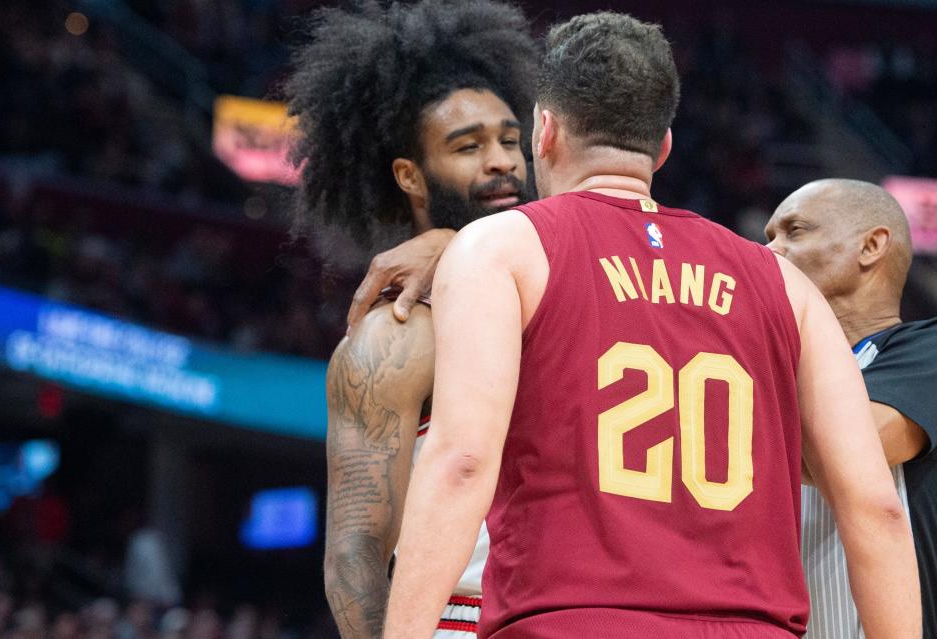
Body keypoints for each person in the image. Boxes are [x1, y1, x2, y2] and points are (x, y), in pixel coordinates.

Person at [383, 12, 919, 639]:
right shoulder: (784, 283)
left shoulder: (502, 248)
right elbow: (876, 508)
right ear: (662, 146)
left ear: (545, 131)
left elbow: (463, 464)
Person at [283, 1, 538, 637]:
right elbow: (357, 550)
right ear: (410, 175)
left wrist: (457, 249)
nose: (502, 160)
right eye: (468, 146)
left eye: (511, 140)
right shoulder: (397, 332)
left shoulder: (562, 285)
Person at [765, 179, 937, 639]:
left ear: (872, 246)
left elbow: (853, 449)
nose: (771, 251)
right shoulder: (773, 375)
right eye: (768, 239)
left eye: (794, 231)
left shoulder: (928, 349)